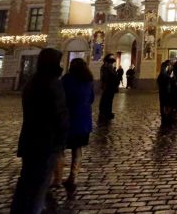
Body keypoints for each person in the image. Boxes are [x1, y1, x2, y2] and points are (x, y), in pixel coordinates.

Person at [10, 48, 68, 214]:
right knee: (39, 186)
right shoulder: (53, 83)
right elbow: (59, 115)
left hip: (30, 140)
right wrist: (61, 141)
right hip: (47, 142)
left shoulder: (32, 82)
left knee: (25, 182)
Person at [55, 57, 94, 191]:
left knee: (60, 149)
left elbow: (60, 98)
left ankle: (57, 178)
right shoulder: (88, 81)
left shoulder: (66, 80)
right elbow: (92, 98)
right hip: (83, 121)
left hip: (67, 120)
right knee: (77, 150)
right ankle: (73, 177)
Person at [98, 54, 118, 121]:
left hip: (111, 86)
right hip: (108, 86)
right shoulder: (105, 67)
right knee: (105, 99)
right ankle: (104, 113)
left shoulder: (109, 66)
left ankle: (108, 112)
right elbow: (106, 77)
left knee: (109, 100)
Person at [157, 60, 176, 126]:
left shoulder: (164, 74)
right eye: (169, 65)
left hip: (164, 93)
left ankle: (165, 117)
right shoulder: (165, 75)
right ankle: (166, 117)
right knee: (166, 105)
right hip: (166, 93)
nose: (170, 66)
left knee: (164, 105)